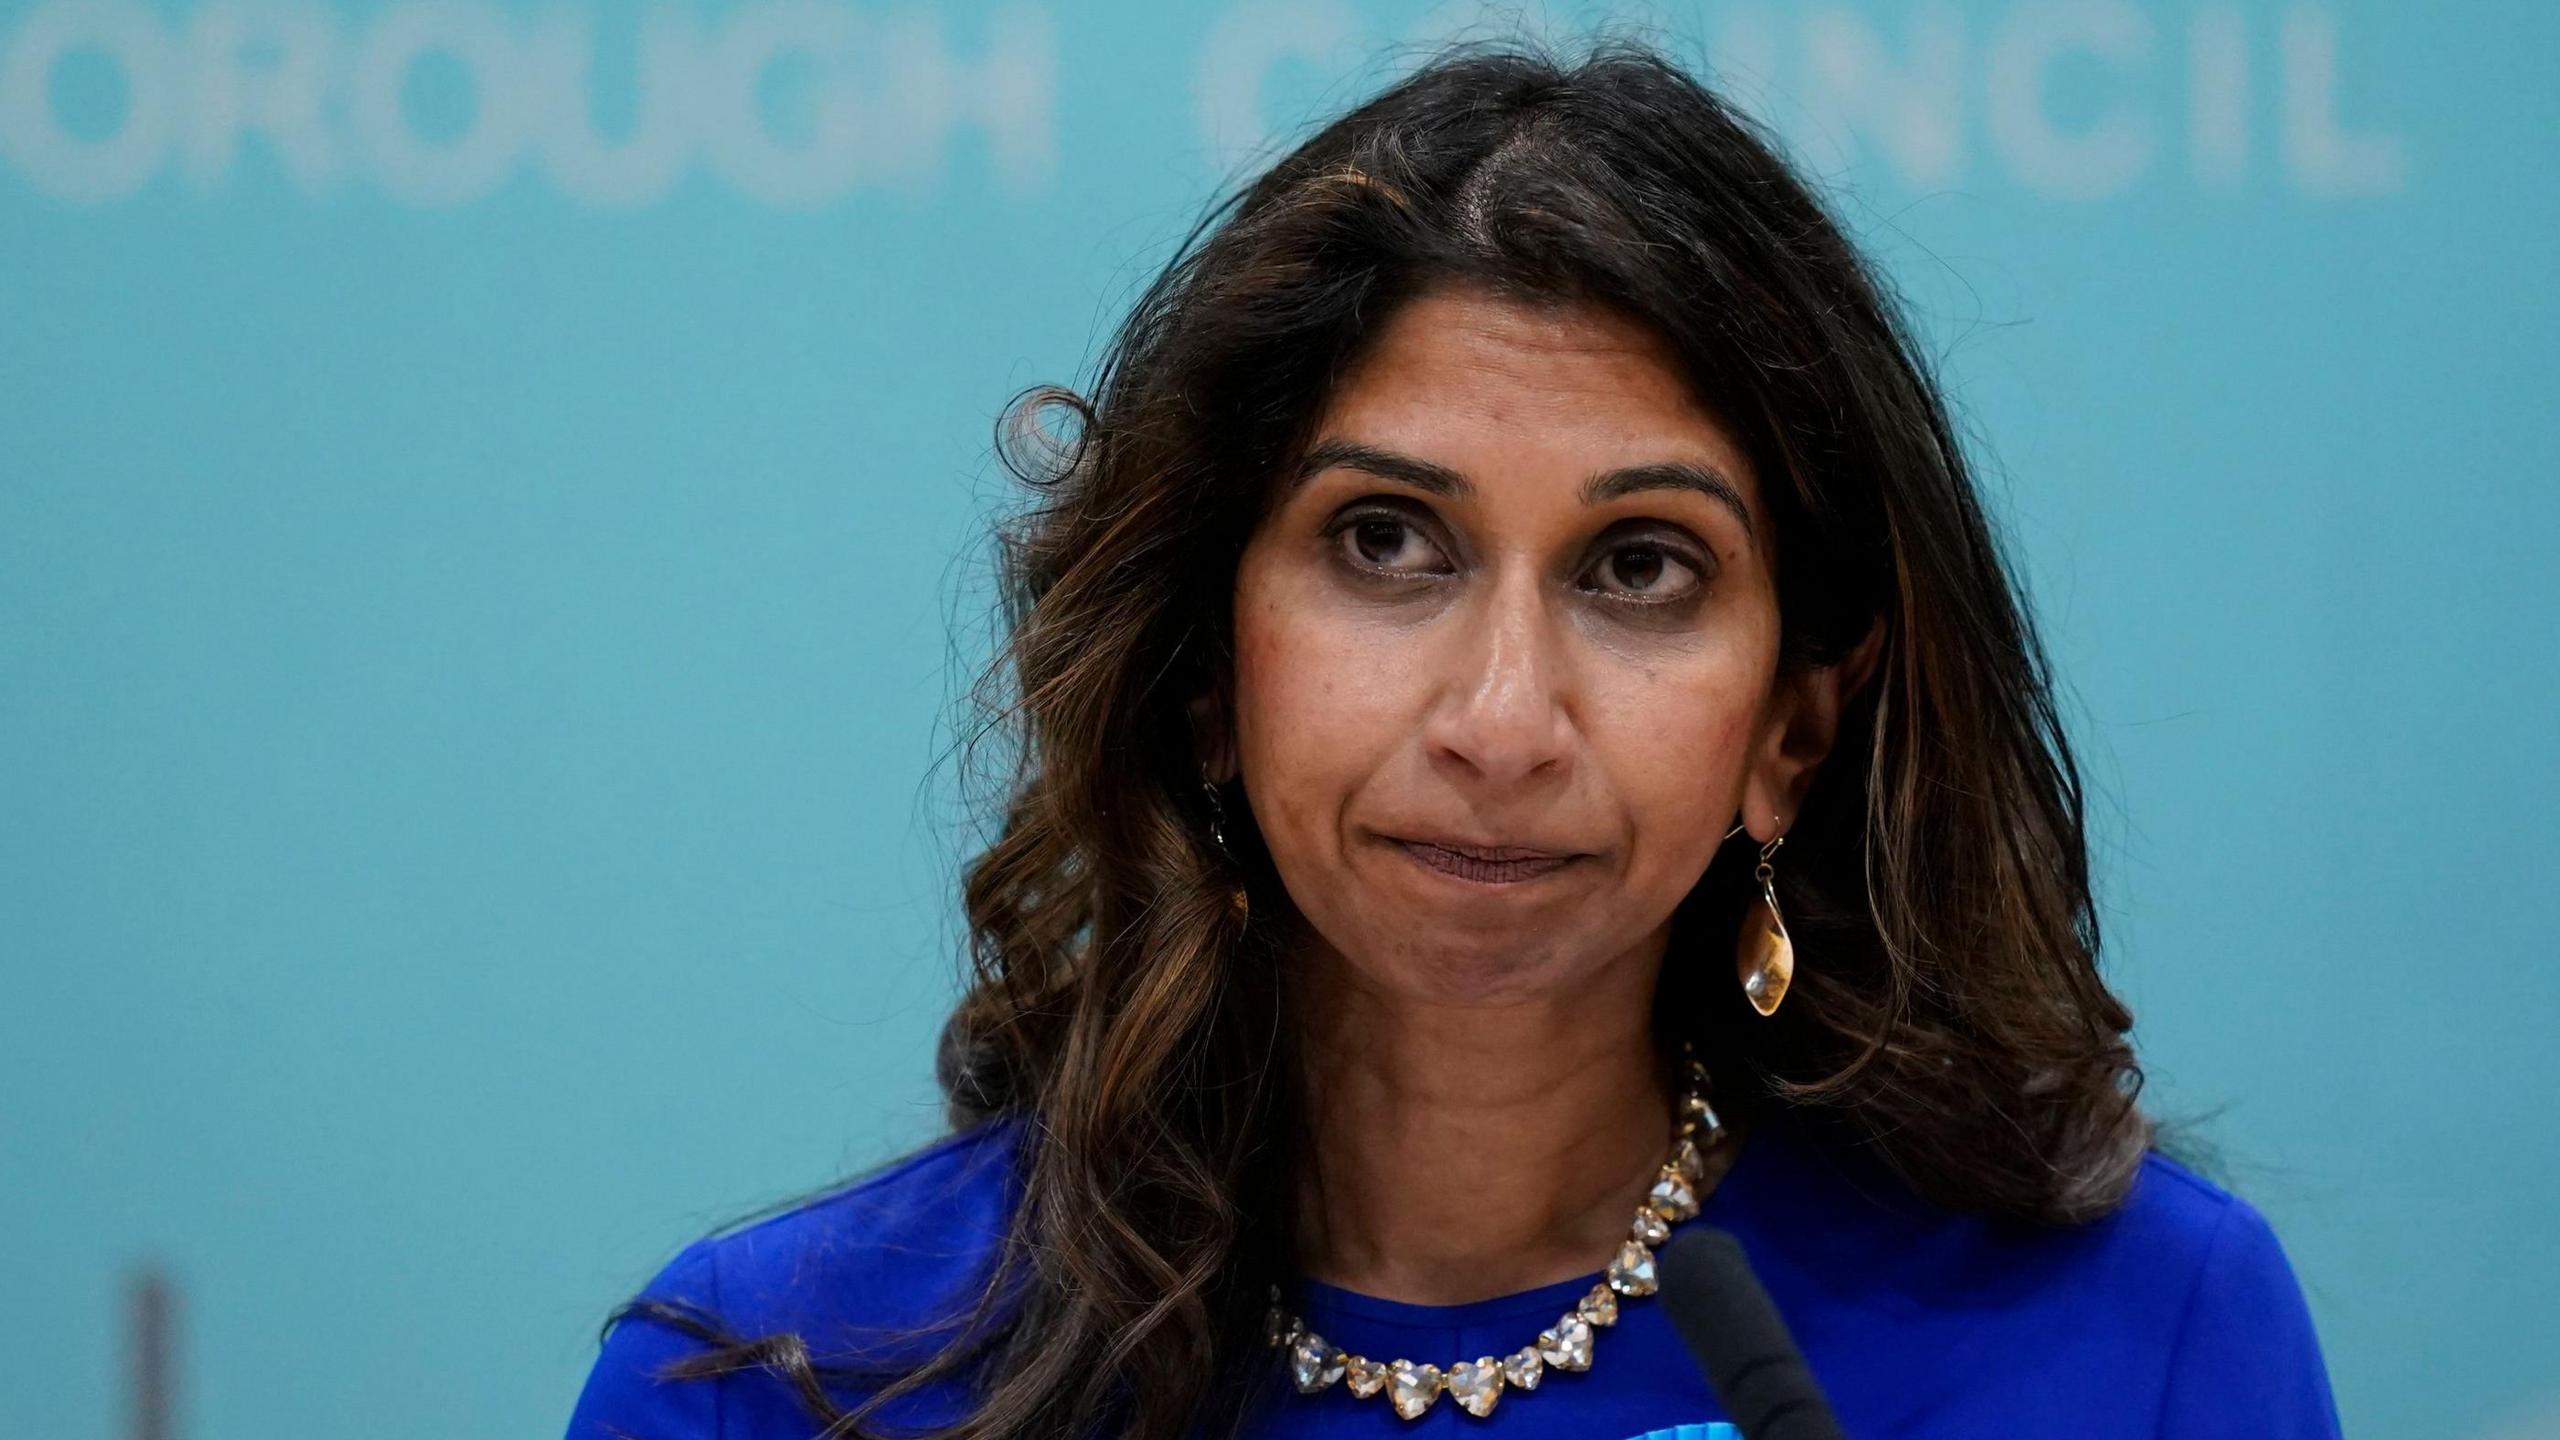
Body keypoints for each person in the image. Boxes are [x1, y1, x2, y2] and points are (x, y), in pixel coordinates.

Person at [563, 36, 2344, 1440]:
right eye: (1385, 543)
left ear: (1793, 726)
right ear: (1207, 665)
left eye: (1640, 567)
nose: (1502, 721)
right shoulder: (782, 1387)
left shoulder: (2141, 1339)